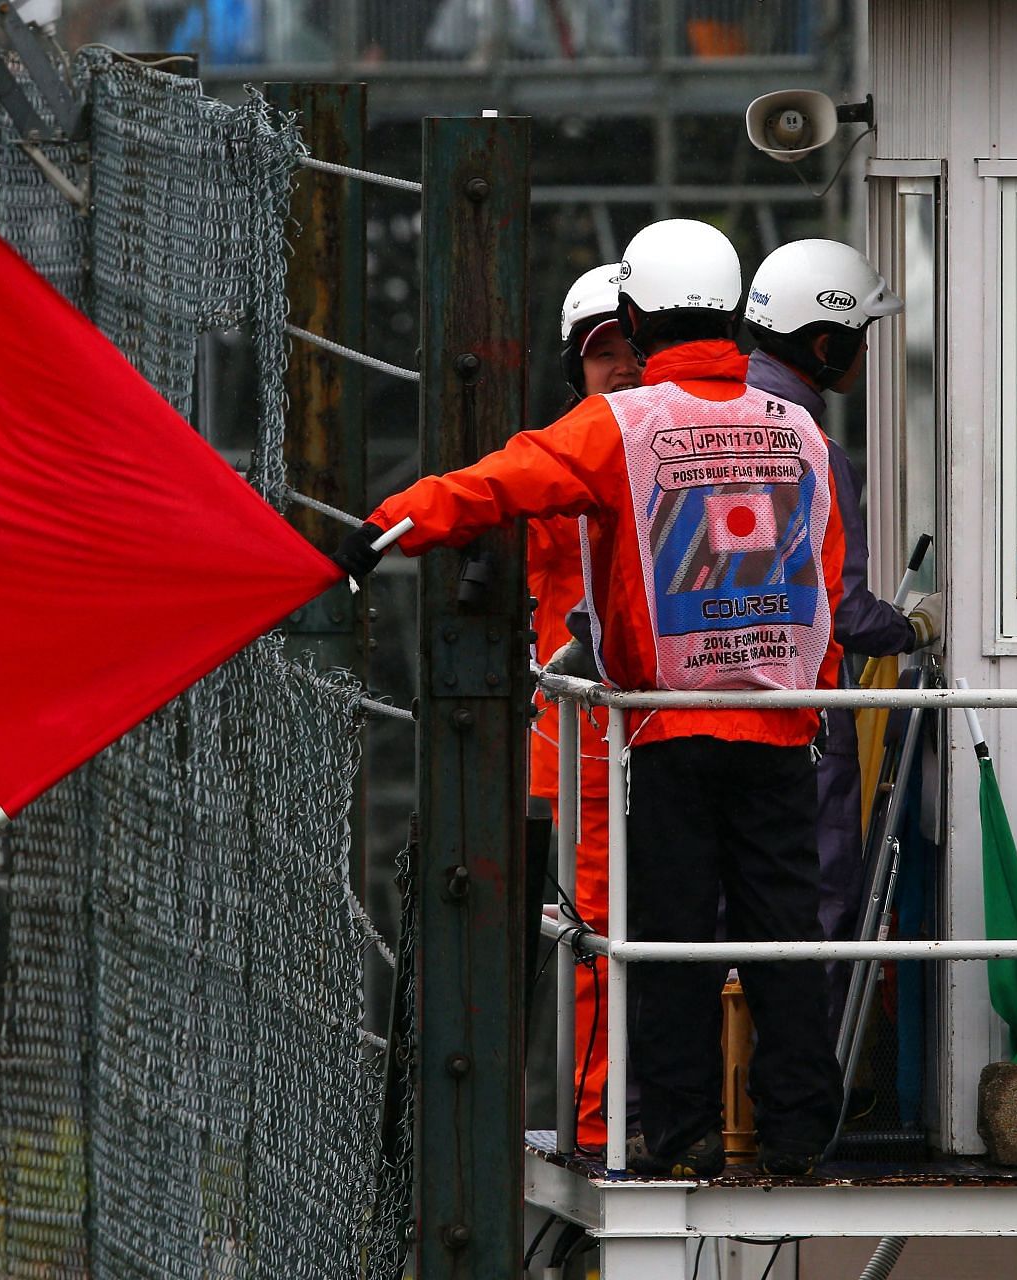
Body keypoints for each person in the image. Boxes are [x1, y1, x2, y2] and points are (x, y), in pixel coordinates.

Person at [333, 218, 848, 1178]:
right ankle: (797, 1132)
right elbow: (821, 573)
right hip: (782, 728)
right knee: (784, 931)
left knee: (663, 937)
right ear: (731, 312)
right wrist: (811, 704)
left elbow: (500, 482)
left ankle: (680, 1129)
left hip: (662, 723)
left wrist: (387, 524)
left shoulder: (625, 422)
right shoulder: (799, 430)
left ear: (639, 317)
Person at [741, 239, 940, 1034]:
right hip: (799, 721)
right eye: (858, 334)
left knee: (715, 912)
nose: (863, 350)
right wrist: (916, 624)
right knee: (816, 907)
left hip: (692, 710)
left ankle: (717, 1106)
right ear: (826, 344)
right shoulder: (813, 449)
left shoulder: (694, 422)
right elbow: (843, 611)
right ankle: (800, 1093)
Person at [526, 263, 638, 1147]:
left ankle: (652, 1110)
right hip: (588, 748)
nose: (624, 366)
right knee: (595, 938)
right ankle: (600, 1122)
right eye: (605, 353)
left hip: (646, 732)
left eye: (635, 347)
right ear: (577, 364)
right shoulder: (559, 459)